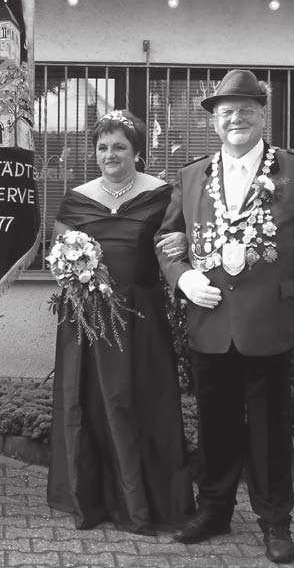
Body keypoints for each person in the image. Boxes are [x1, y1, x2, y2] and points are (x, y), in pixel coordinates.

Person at [156, 69, 294, 564]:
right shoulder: (193, 175)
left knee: (268, 429)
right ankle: (213, 510)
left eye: (246, 110)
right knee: (214, 425)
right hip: (210, 324)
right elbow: (170, 237)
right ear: (214, 121)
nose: (236, 118)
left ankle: (275, 521)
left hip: (270, 325)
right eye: (226, 111)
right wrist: (181, 276)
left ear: (263, 116)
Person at [46, 109, 194, 533]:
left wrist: (184, 240)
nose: (110, 154)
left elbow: (177, 245)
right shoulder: (77, 197)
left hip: (141, 320)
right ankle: (90, 499)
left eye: (120, 147)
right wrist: (75, 274)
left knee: (138, 404)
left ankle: (142, 501)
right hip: (87, 323)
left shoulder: (163, 195)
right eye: (103, 147)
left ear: (137, 151)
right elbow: (58, 253)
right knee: (89, 405)